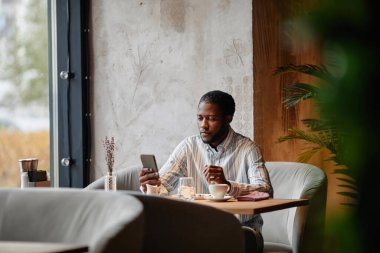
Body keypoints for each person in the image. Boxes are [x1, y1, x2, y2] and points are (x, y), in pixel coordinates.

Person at [139, 90, 273, 253]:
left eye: (211, 119)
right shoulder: (188, 146)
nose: (203, 125)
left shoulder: (248, 149)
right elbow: (162, 186)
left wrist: (228, 185)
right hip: (197, 232)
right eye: (200, 118)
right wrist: (151, 185)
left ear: (228, 119)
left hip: (242, 231)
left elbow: (266, 190)